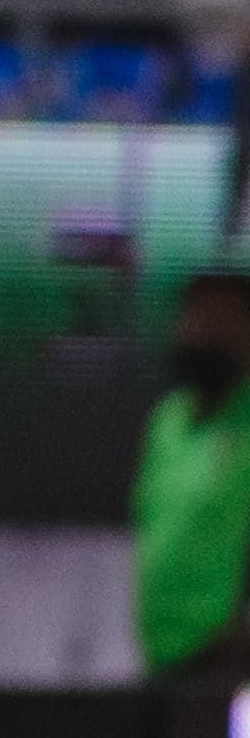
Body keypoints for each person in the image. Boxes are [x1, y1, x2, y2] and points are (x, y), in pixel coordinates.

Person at [133, 274, 250, 680]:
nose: (202, 335)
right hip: (162, 656)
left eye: (219, 322)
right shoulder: (168, 421)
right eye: (194, 320)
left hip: (230, 662)